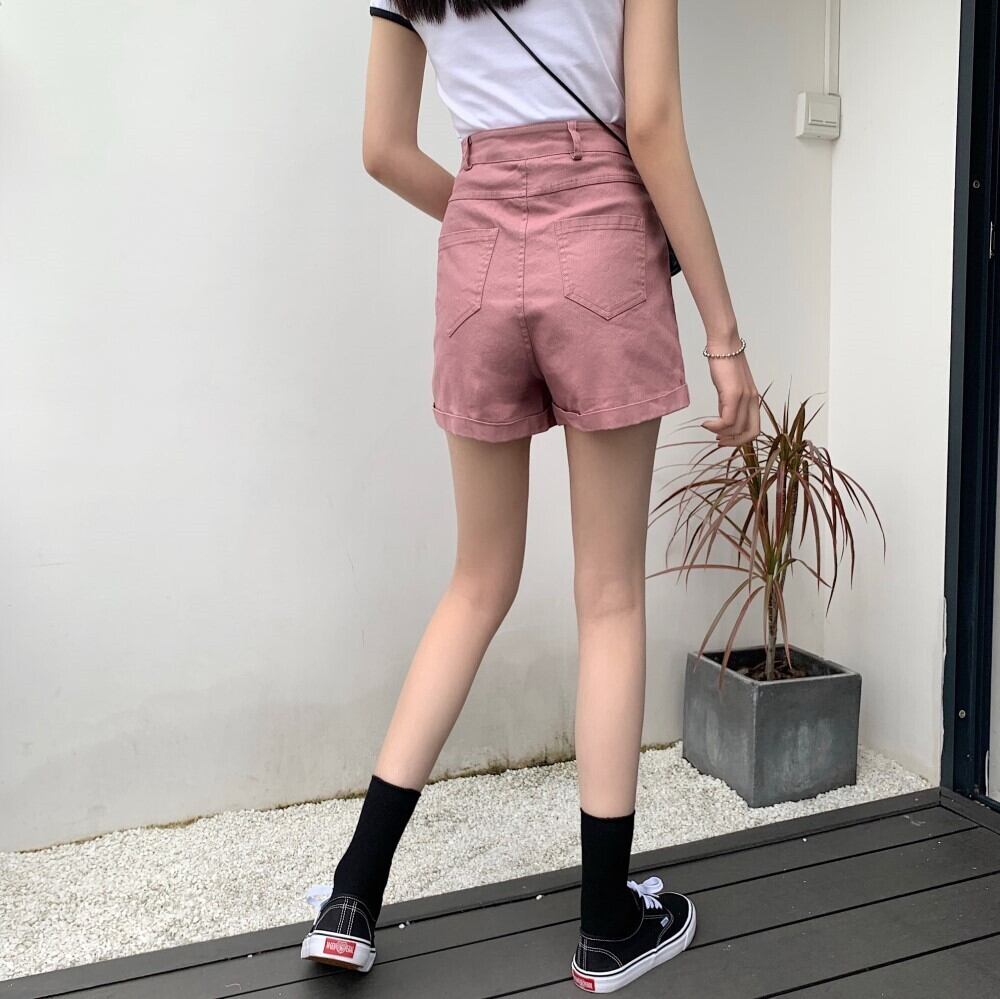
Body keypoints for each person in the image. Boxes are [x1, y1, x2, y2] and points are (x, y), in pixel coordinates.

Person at [300, 0, 760, 991]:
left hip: (475, 254)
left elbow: (383, 149)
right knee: (610, 595)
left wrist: (489, 217)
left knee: (476, 582)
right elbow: (651, 125)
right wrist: (722, 331)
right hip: (602, 240)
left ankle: (350, 897)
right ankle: (605, 925)